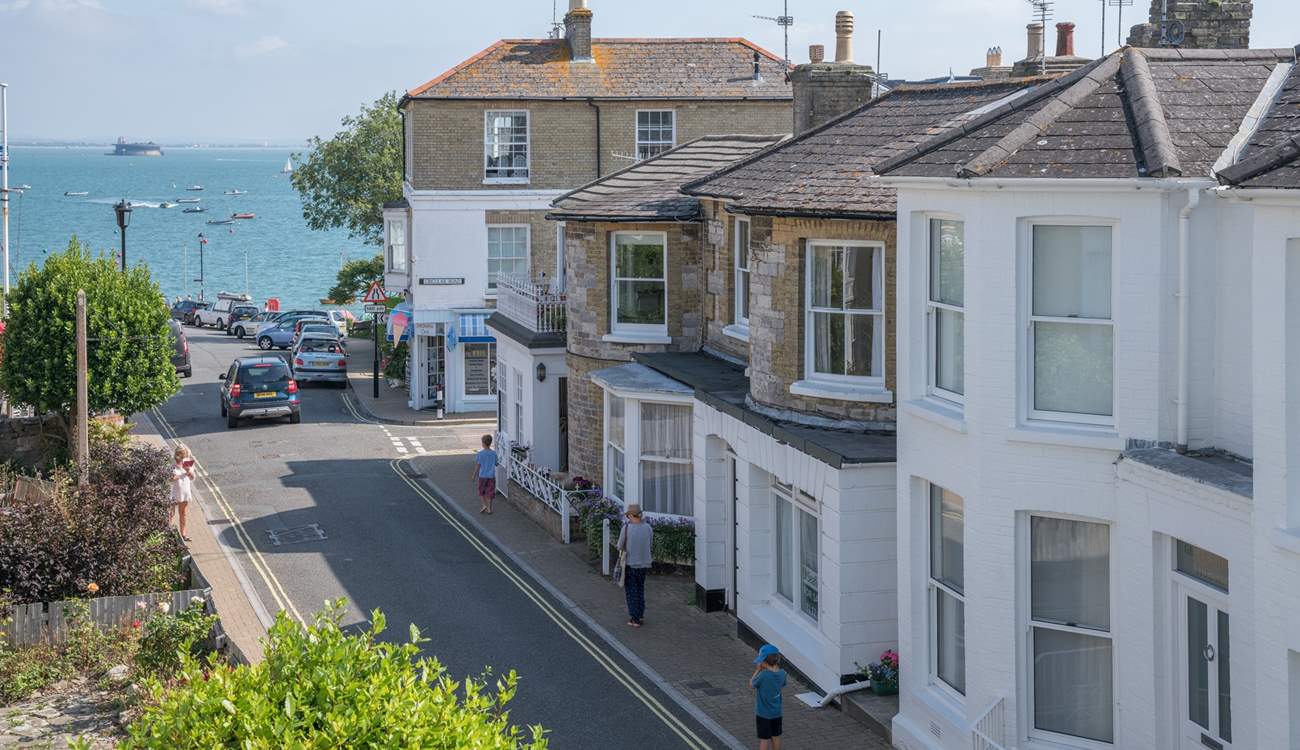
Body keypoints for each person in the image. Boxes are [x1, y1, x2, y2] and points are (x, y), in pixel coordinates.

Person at [616, 504, 653, 627]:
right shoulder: (648, 527)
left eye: (628, 515)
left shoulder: (626, 528)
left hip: (630, 564)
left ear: (631, 515)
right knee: (640, 589)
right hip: (644, 564)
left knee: (631, 591)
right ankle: (640, 615)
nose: (628, 518)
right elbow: (650, 544)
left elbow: (619, 546)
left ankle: (635, 619)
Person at [750, 643, 787, 749]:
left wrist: (757, 670)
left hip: (763, 713)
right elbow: (782, 684)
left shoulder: (763, 675)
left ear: (764, 661)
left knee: (764, 739)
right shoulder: (783, 673)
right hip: (777, 712)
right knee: (776, 736)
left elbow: (751, 684)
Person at [170, 445, 195, 542]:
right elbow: (169, 479)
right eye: (180, 455)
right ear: (176, 455)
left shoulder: (188, 464)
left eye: (184, 455)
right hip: (173, 493)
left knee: (183, 513)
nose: (182, 458)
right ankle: (168, 532)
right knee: (170, 514)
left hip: (184, 492)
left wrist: (189, 471)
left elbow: (192, 477)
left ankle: (184, 534)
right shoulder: (172, 465)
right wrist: (174, 477)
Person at [473, 434, 498, 514]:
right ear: (490, 443)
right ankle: (489, 508)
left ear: (483, 443)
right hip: (491, 476)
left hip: (482, 476)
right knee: (490, 492)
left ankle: (484, 505)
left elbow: (478, 465)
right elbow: (496, 464)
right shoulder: (494, 453)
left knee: (482, 491)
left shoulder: (480, 454)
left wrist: (473, 475)